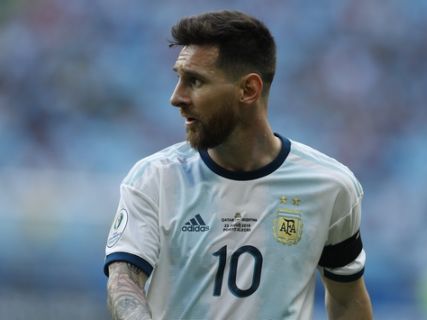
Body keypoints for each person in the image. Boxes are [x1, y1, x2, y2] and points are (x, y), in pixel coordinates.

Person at [104, 10, 373, 320]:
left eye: (195, 81)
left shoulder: (331, 186)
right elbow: (124, 281)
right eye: (178, 78)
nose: (176, 98)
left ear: (248, 90)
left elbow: (346, 298)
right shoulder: (154, 178)